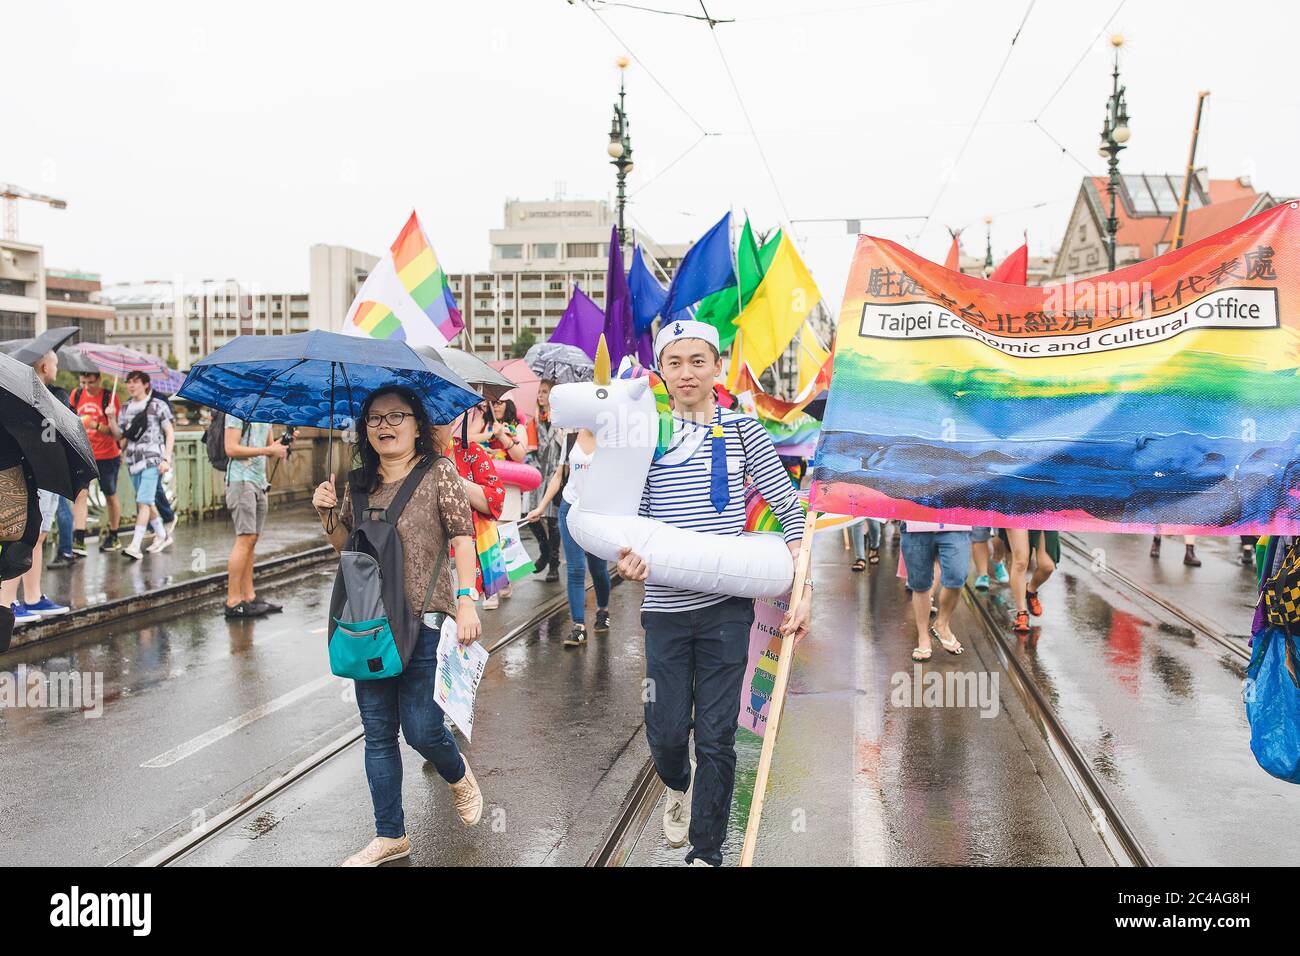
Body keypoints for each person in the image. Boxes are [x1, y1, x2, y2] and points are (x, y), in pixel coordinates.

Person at [616, 320, 808, 867]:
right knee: (668, 734)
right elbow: (628, 518)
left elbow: (788, 509)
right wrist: (625, 559)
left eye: (698, 360)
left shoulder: (746, 433)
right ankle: (676, 787)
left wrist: (803, 579)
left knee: (718, 737)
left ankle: (706, 853)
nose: (686, 373)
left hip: (727, 612)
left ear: (717, 366)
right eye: (674, 362)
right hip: (665, 612)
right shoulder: (646, 437)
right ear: (661, 371)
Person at [312, 386, 484, 867]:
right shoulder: (359, 483)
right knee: (378, 733)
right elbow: (347, 547)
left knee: (424, 730)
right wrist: (327, 514)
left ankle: (457, 774)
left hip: (427, 619)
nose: (384, 426)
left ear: (416, 424)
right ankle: (391, 834)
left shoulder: (438, 473)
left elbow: (463, 535)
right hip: (370, 622)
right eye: (374, 419)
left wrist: (467, 600)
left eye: (396, 416)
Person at [525, 427, 611, 646]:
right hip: (570, 508)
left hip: (597, 512)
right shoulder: (570, 437)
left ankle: (602, 610)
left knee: (598, 568)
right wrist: (541, 507)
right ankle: (578, 626)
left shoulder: (610, 437)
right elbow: (559, 475)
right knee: (575, 568)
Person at [2, 350, 71, 622]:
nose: (57, 368)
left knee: (35, 537)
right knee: (21, 536)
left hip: (32, 476)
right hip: (27, 477)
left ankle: (31, 597)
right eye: (55, 363)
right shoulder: (28, 399)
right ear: (44, 365)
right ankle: (7, 603)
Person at [221, 415, 289, 618]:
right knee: (245, 538)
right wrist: (269, 450)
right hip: (241, 480)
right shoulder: (237, 410)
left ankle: (248, 596)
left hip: (259, 481)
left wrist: (282, 443)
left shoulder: (264, 413)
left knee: (252, 539)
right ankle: (233, 601)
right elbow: (231, 448)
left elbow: (269, 448)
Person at [112, 370, 175, 560]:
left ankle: (135, 545)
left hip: (153, 459)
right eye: (128, 382)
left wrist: (166, 459)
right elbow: (120, 439)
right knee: (147, 500)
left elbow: (170, 432)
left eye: (135, 382)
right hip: (132, 460)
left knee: (142, 501)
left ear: (146, 384)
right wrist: (109, 419)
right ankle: (163, 535)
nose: (131, 385)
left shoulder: (158, 405)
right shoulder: (124, 409)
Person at [449, 415, 506, 609]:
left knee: (459, 630)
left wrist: (452, 478)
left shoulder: (469, 451)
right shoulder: (408, 456)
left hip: (461, 558)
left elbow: (495, 499)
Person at [69, 370, 122, 553]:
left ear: (98, 380)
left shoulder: (109, 398)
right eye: (83, 382)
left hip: (107, 455)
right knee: (80, 495)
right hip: (83, 454)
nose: (86, 387)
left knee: (110, 495)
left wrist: (96, 425)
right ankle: (79, 539)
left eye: (90, 382)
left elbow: (117, 434)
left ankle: (114, 535)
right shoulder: (76, 395)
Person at [900, 521, 970, 660]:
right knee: (919, 584)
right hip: (915, 524)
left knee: (957, 576)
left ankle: (942, 624)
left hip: (955, 521)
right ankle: (923, 637)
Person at [529, 379, 563, 582]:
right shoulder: (533, 418)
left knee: (552, 521)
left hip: (555, 474)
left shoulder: (560, 418)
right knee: (529, 515)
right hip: (536, 474)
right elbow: (531, 447)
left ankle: (553, 565)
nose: (540, 395)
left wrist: (557, 427)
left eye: (544, 391)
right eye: (539, 392)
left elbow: (564, 444)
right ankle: (544, 549)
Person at [999, 528, 1059, 634]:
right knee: (1020, 562)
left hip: (1044, 513)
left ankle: (1030, 590)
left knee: (1047, 566)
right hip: (1016, 513)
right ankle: (1021, 612)